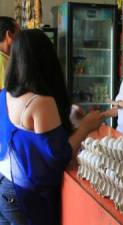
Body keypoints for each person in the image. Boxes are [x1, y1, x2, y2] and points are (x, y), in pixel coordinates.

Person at [0, 29, 104, 225]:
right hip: (24, 196)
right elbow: (58, 156)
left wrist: (69, 117)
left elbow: (27, 135)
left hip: (5, 185)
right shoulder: (40, 102)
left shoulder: (5, 94)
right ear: (46, 59)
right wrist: (86, 127)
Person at [0, 17, 18, 89]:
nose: (21, 37)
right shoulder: (2, 61)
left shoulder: (6, 58)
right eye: (19, 33)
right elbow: (8, 93)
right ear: (9, 35)